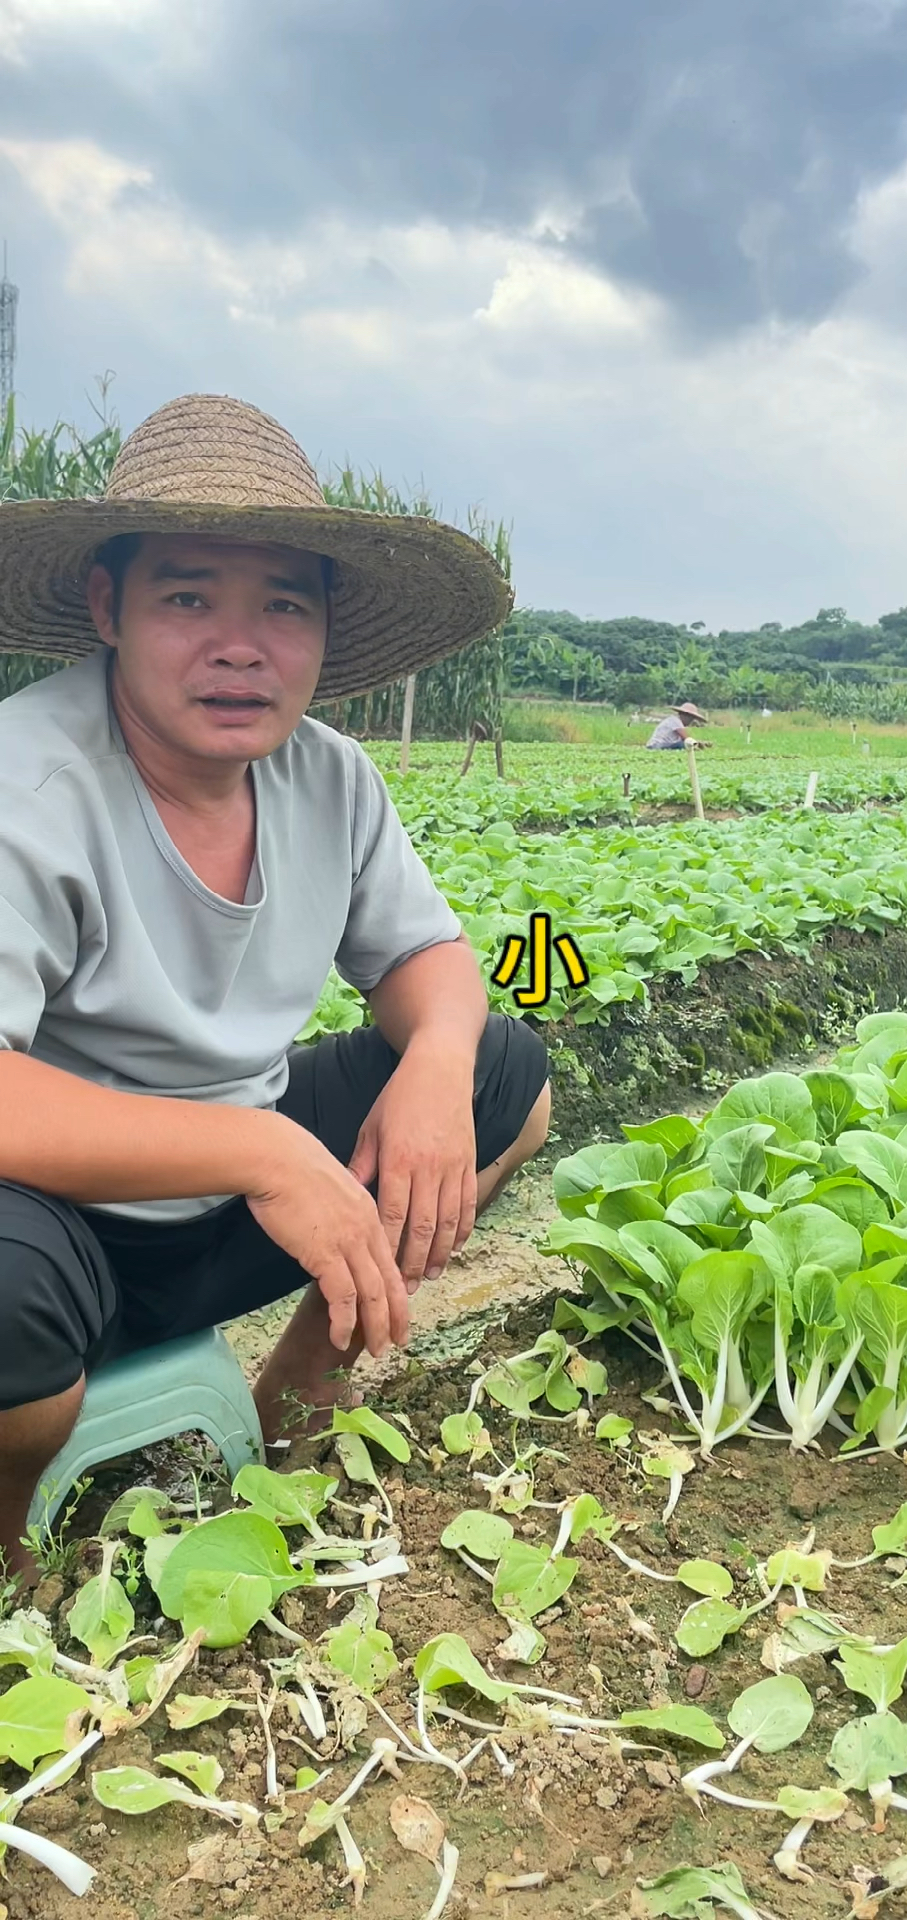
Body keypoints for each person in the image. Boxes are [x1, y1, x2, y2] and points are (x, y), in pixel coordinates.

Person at [0, 392, 552, 1580]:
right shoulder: (27, 785)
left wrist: (438, 1072)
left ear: (323, 629)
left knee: (508, 1074)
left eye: (282, 605)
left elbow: (429, 961)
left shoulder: (329, 778)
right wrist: (262, 1156)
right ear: (108, 606)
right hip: (59, 1213)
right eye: (188, 596)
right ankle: (9, 1556)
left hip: (242, 1196)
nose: (238, 645)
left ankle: (294, 1406)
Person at [645, 701, 712, 749]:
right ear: (684, 715)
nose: (691, 721)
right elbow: (687, 739)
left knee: (682, 744)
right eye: (691, 718)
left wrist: (700, 743)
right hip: (656, 746)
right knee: (682, 745)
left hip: (660, 745)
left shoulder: (674, 721)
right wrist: (698, 744)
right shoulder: (675, 721)